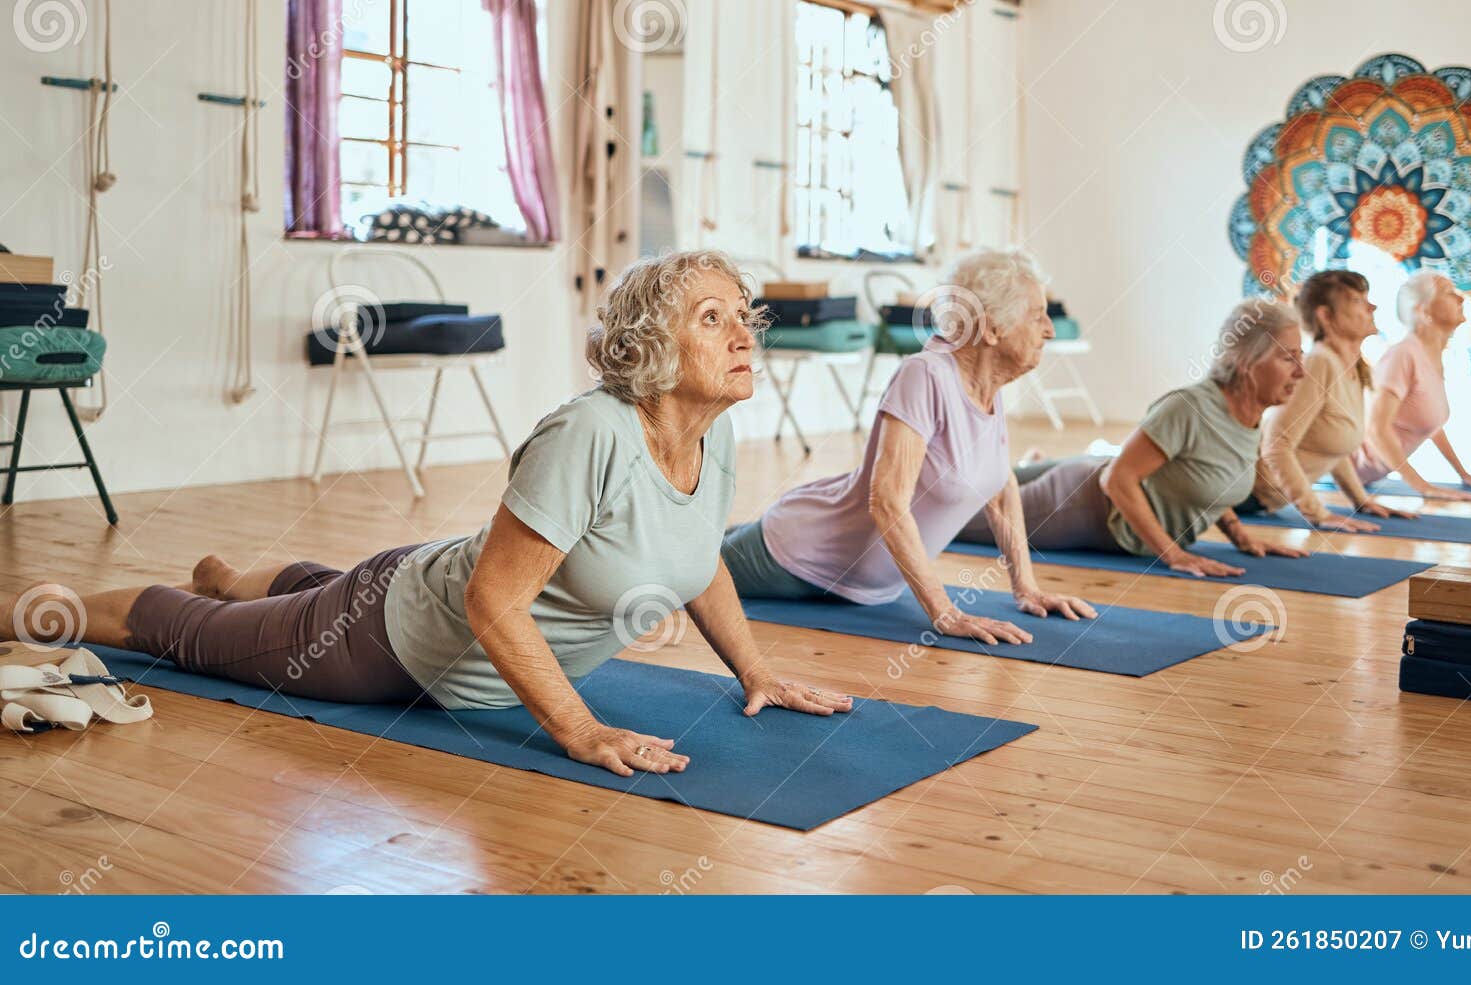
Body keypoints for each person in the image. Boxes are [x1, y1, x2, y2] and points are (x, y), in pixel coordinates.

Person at [0, 251, 851, 778]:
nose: (744, 333)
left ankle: (230, 577)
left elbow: (696, 555)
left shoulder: (715, 434)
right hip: (390, 638)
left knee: (295, 594)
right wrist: (579, 729)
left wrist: (757, 673)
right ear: (651, 347)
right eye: (714, 318)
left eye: (745, 316)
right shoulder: (590, 432)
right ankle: (35, 605)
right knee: (182, 631)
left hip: (417, 576)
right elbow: (493, 602)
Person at [723, 248, 1097, 648]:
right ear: (990, 330)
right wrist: (944, 612)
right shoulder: (924, 374)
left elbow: (1000, 488)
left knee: (710, 541)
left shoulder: (990, 385)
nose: (1049, 329)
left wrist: (1027, 588)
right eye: (1036, 315)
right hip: (799, 554)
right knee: (676, 570)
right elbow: (887, 502)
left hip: (859, 583)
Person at [958, 298, 1311, 578]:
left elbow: (1214, 480)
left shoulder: (1249, 415)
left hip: (1095, 478)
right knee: (950, 518)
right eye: (1287, 358)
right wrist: (1174, 556)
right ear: (1248, 362)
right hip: (1080, 504)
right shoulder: (1190, 408)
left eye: (1301, 356)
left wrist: (1242, 538)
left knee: (981, 485)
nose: (1301, 371)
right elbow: (1117, 479)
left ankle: (1029, 465)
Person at [1237, 270, 1415, 531]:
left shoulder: (1351, 367)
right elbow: (1276, 446)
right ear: (1326, 315)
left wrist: (1361, 501)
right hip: (1240, 497)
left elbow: (1332, 447)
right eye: (1357, 301)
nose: (1372, 306)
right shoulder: (1319, 363)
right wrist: (1319, 514)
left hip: (1262, 504)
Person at [1352, 270, 1471, 500]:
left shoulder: (1430, 356)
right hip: (1335, 471)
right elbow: (1376, 428)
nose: (1461, 298)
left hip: (1365, 477)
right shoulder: (1402, 355)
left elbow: (1430, 423)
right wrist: (1423, 487)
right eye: (1449, 293)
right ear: (1423, 310)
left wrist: (1464, 475)